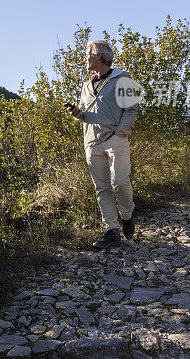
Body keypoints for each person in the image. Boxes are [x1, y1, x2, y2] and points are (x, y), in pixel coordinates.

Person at [67, 40, 138, 249]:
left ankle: (127, 215)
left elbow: (131, 109)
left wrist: (121, 133)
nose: (85, 58)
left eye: (87, 54)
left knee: (120, 182)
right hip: (92, 142)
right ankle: (112, 231)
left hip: (115, 139)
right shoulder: (86, 86)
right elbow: (84, 113)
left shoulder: (122, 78)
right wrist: (77, 114)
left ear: (99, 55)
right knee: (102, 188)